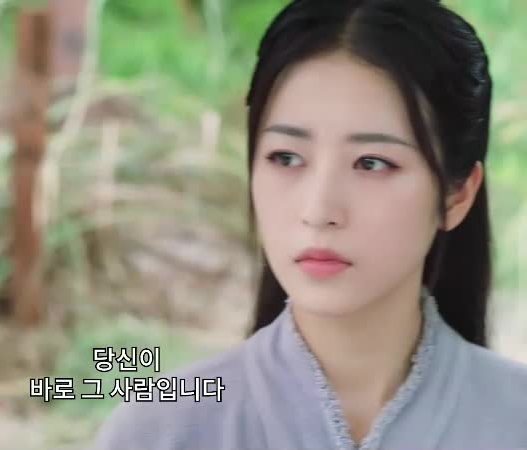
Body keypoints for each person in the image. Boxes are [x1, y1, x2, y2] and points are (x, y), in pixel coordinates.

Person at [91, 0, 527, 449]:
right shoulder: (160, 431)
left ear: (457, 194)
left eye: (372, 163)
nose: (318, 210)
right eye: (286, 158)